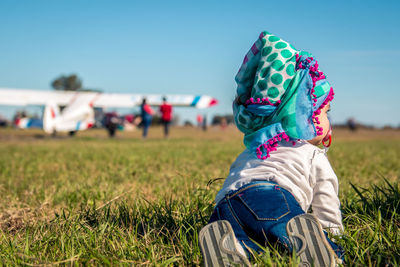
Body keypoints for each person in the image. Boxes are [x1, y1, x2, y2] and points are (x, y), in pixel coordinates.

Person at [199, 31, 344, 267]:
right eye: (325, 112)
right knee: (294, 234)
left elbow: (233, 177)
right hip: (273, 197)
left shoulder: (256, 147)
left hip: (226, 204)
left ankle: (233, 247)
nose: (329, 120)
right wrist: (332, 234)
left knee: (256, 242)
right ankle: (326, 254)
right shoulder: (312, 153)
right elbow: (325, 201)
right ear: (304, 116)